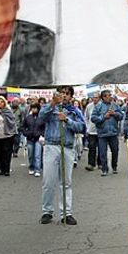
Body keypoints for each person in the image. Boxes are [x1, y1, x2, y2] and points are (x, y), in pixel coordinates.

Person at [40, 86, 86, 225]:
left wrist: (67, 120)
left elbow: (81, 128)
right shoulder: (50, 107)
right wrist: (53, 104)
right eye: (62, 93)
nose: (64, 96)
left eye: (67, 94)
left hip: (67, 147)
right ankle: (47, 211)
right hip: (51, 145)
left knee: (66, 182)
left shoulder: (75, 111)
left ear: (71, 96)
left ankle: (66, 213)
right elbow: (42, 117)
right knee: (48, 181)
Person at [91, 90, 123, 176]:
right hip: (102, 133)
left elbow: (121, 116)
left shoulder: (115, 105)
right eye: (107, 95)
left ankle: (114, 166)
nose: (109, 97)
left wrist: (115, 113)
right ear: (103, 97)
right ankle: (104, 169)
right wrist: (103, 117)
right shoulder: (98, 106)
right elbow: (93, 118)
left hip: (113, 133)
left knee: (115, 150)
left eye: (110, 95)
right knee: (102, 152)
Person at [0, 96, 18, 177]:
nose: (0, 103)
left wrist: (13, 131)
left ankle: (7, 170)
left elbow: (13, 122)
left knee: (7, 153)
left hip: (7, 135)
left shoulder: (8, 111)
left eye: (2, 102)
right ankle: (2, 169)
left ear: (4, 103)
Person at [21, 103, 44, 177]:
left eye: (35, 108)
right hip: (30, 138)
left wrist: (42, 134)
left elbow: (45, 127)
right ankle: (31, 167)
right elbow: (23, 127)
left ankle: (37, 169)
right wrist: (26, 133)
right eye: (33, 108)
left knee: (37, 154)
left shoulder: (42, 118)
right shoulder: (28, 118)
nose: (34, 109)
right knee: (30, 154)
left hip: (38, 138)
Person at [83, 94, 100, 171]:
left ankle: (101, 163)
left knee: (101, 148)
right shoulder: (89, 106)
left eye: (96, 97)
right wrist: (87, 126)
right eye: (94, 97)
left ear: (99, 98)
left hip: (100, 131)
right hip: (91, 131)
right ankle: (91, 164)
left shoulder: (102, 106)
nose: (94, 99)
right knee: (91, 147)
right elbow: (86, 117)